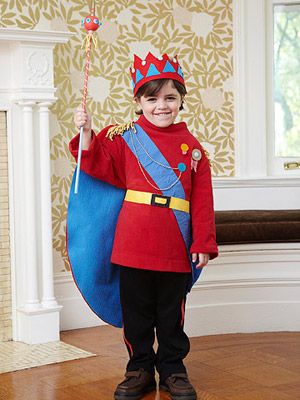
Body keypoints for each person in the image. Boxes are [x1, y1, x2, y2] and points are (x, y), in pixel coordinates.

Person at [69, 52, 218, 400]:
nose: (161, 106)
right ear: (138, 102)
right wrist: (88, 131)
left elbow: (203, 202)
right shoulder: (124, 139)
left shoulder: (194, 150)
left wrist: (203, 242)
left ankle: (172, 369)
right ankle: (138, 368)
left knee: (171, 315)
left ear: (181, 100)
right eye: (152, 98)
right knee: (135, 314)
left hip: (173, 245)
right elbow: (95, 164)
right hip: (132, 243)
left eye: (170, 97)